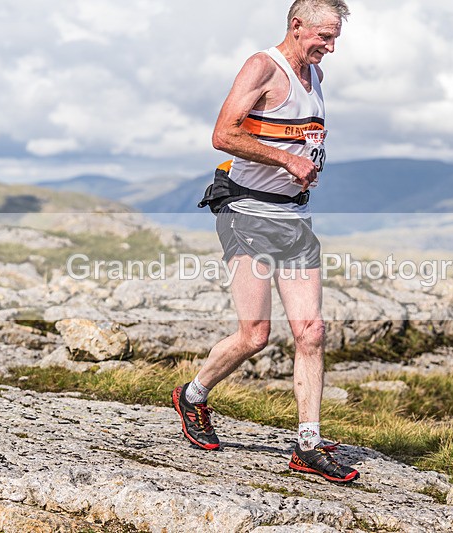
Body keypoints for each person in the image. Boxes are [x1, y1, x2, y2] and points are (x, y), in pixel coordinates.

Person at [172, 0, 359, 483]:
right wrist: (287, 161)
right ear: (297, 27)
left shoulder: (315, 76)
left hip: (293, 218)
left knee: (311, 331)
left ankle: (308, 445)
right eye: (324, 36)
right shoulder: (262, 67)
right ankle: (192, 395)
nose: (330, 46)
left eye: (335, 38)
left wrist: (304, 164)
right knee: (255, 334)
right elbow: (222, 134)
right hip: (245, 214)